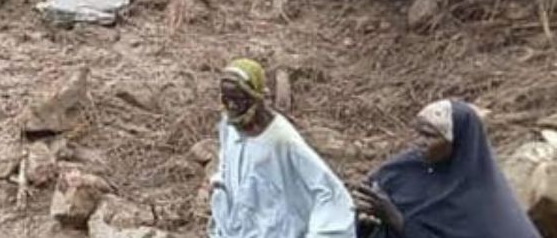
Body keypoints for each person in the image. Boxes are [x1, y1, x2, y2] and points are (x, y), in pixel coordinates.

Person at [210, 58, 355, 238]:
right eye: (226, 99)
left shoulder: (282, 140)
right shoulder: (229, 125)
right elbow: (226, 161)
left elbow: (327, 191)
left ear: (255, 96)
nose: (231, 106)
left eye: (238, 100)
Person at [354, 100, 540, 238]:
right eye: (418, 133)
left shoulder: (481, 202)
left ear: (457, 144)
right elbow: (370, 194)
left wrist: (397, 220)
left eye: (430, 136)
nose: (419, 142)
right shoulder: (405, 167)